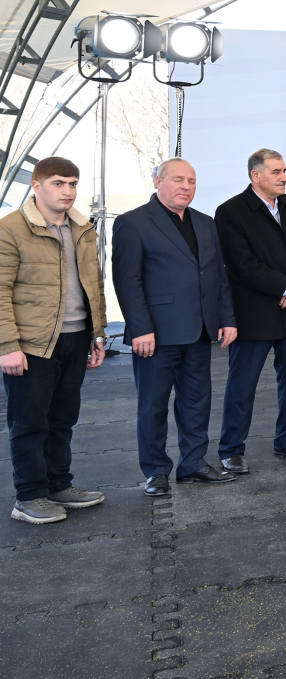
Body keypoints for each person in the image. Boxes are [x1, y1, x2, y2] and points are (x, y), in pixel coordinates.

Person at [113, 158, 237, 496]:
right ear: (158, 181)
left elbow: (218, 275)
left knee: (197, 402)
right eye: (178, 179)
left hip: (199, 330)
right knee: (152, 405)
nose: (186, 186)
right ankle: (155, 471)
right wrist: (140, 328)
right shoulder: (132, 222)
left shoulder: (205, 223)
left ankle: (193, 463)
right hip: (155, 333)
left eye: (192, 181)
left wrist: (226, 318)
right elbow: (127, 281)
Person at [2, 157, 108, 524]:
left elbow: (94, 283)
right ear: (36, 185)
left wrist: (97, 333)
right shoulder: (10, 229)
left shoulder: (82, 228)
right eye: (59, 183)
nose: (67, 191)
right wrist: (7, 346)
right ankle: (29, 496)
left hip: (75, 338)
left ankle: (58, 485)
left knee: (62, 419)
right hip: (32, 344)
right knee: (30, 423)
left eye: (72, 184)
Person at [216, 149, 286, 470]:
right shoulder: (230, 212)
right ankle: (231, 449)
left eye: (284, 170)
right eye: (276, 172)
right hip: (254, 314)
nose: (284, 177)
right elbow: (241, 265)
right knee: (242, 385)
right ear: (256, 175)